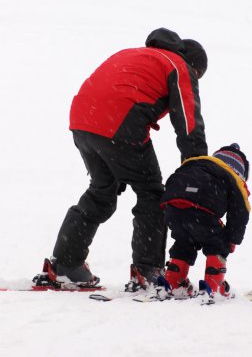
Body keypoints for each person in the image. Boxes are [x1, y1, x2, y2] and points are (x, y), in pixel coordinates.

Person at [34, 27, 208, 290]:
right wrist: (196, 167)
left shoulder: (138, 53)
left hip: (82, 119)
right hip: (119, 121)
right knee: (152, 194)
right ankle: (148, 272)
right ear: (194, 68)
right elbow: (188, 121)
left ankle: (65, 264)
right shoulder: (179, 65)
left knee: (102, 191)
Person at [158, 143, 250, 299]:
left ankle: (173, 282)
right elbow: (240, 212)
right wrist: (232, 240)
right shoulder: (233, 177)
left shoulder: (195, 164)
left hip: (173, 207)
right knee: (217, 242)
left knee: (184, 242)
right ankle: (214, 286)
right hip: (202, 211)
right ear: (240, 172)